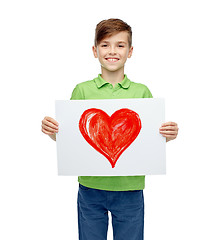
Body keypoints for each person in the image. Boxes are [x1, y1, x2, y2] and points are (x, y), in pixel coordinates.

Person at [41, 18, 178, 240]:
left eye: (120, 45)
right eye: (105, 44)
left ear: (130, 51)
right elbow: (74, 139)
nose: (112, 51)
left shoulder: (141, 92)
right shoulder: (82, 91)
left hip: (130, 188)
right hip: (90, 187)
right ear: (95, 51)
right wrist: (53, 132)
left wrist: (167, 135)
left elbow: (148, 139)